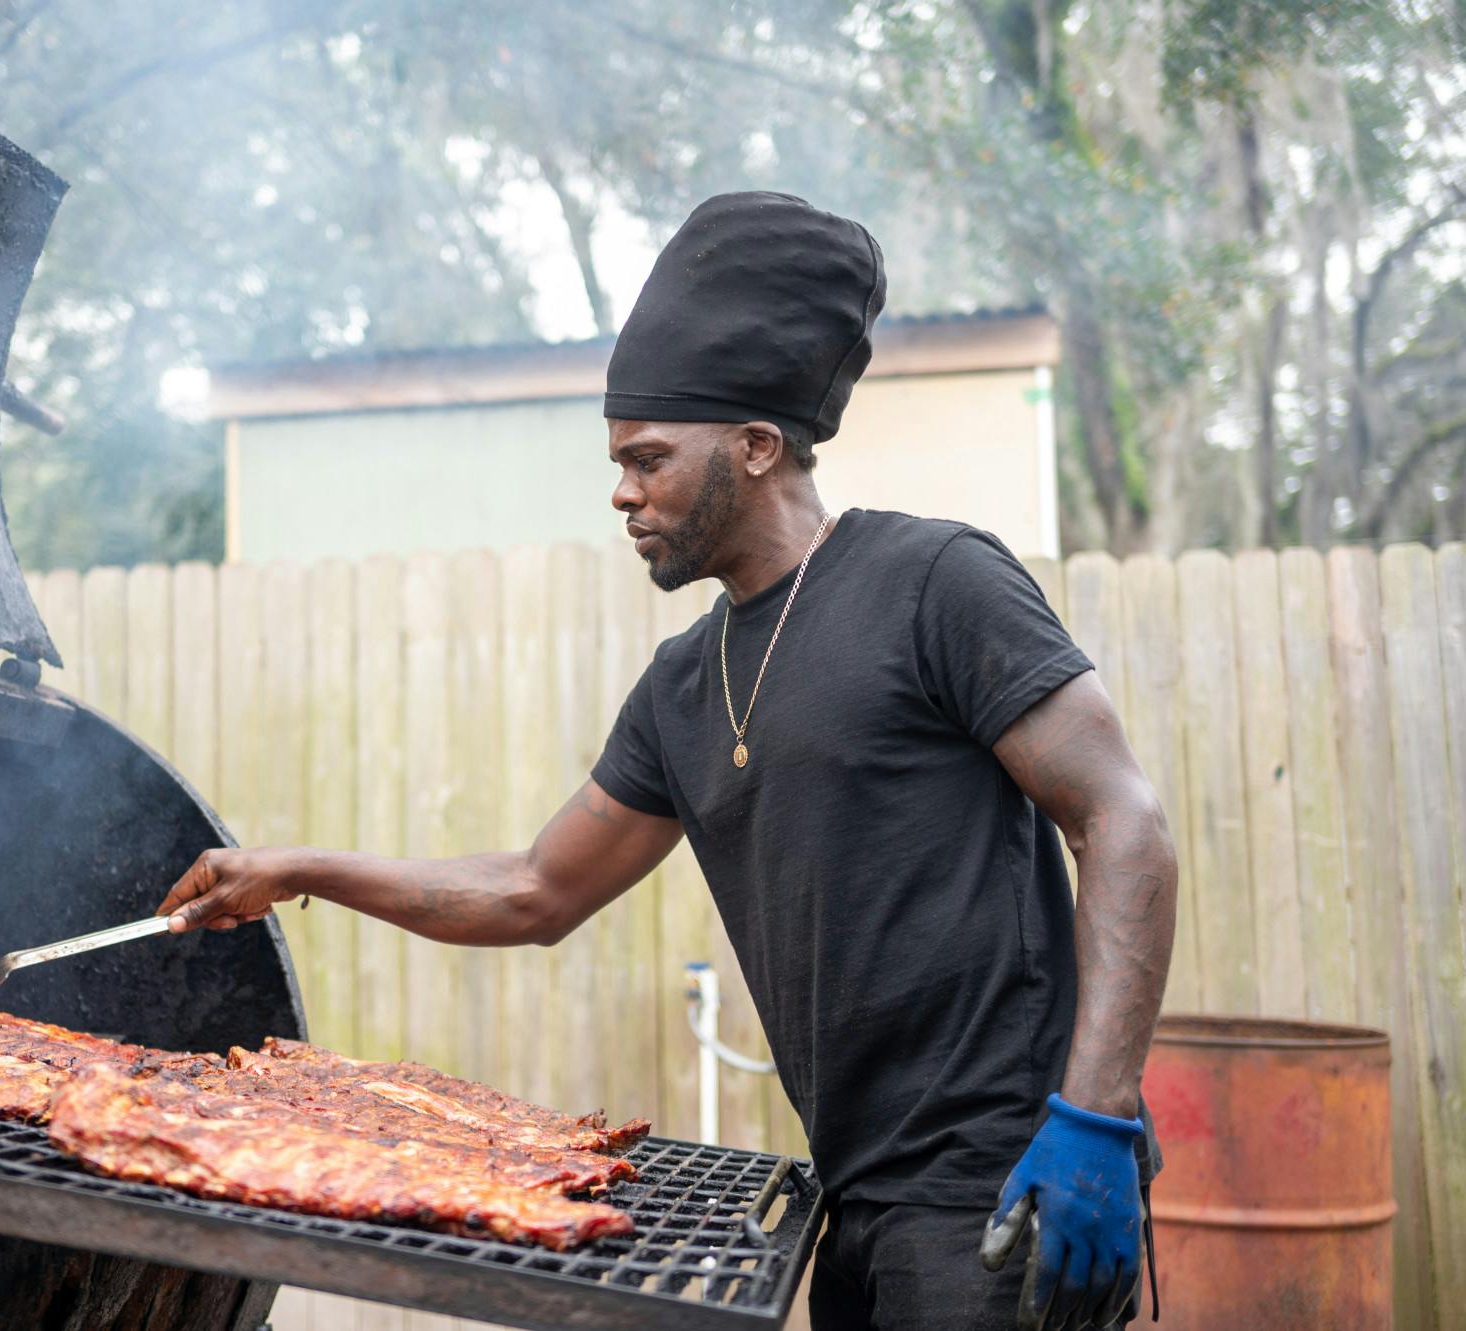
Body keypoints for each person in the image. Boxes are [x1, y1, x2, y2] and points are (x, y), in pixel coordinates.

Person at [157, 191, 1175, 1331]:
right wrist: (299, 868)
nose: (619, 491)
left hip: (1003, 1175)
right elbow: (534, 891)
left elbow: (1120, 819)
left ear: (753, 445)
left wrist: (1093, 1118)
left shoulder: (932, 580)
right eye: (617, 461)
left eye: (646, 458)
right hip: (854, 1192)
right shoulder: (681, 686)